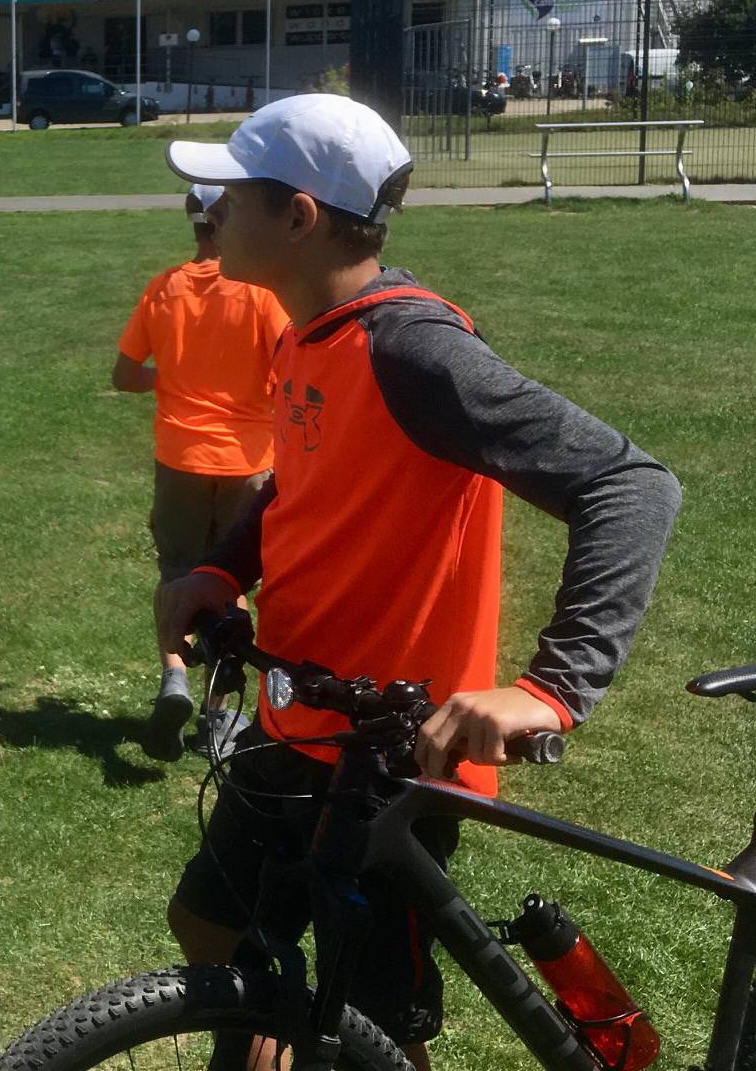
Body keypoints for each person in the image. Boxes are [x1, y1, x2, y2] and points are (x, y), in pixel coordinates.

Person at [154, 96, 680, 1066]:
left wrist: (552, 690)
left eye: (231, 192)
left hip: (389, 752)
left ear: (299, 217)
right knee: (213, 925)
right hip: (296, 717)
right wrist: (223, 569)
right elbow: (303, 482)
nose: (210, 208)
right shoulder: (303, 332)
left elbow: (632, 486)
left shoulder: (412, 348)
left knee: (371, 1027)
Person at [113, 183, 287, 761]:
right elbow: (289, 370)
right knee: (231, 582)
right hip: (247, 460)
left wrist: (168, 379)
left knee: (177, 572)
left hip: (179, 457)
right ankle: (219, 716)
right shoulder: (259, 294)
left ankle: (174, 678)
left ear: (192, 223)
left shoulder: (164, 289)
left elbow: (124, 375)